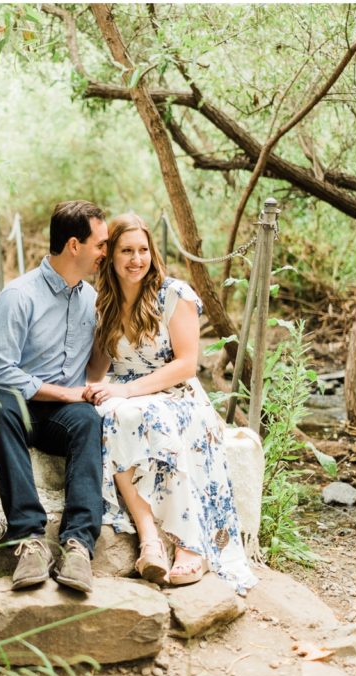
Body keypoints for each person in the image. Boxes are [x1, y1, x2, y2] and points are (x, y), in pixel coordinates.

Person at [85, 213, 257, 593]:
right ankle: (150, 541)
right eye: (126, 250)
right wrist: (86, 389)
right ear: (111, 255)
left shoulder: (173, 294)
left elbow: (185, 365)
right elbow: (99, 367)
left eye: (143, 250)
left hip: (176, 394)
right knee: (108, 415)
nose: (136, 259)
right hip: (128, 393)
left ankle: (189, 545)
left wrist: (127, 391)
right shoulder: (104, 302)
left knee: (142, 413)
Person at [0, 200, 108, 593]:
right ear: (73, 245)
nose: (105, 252)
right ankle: (30, 539)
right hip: (16, 405)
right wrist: (64, 393)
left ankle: (79, 545)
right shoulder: (18, 296)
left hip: (62, 415)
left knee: (88, 419)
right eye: (100, 244)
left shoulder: (91, 299)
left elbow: (95, 370)